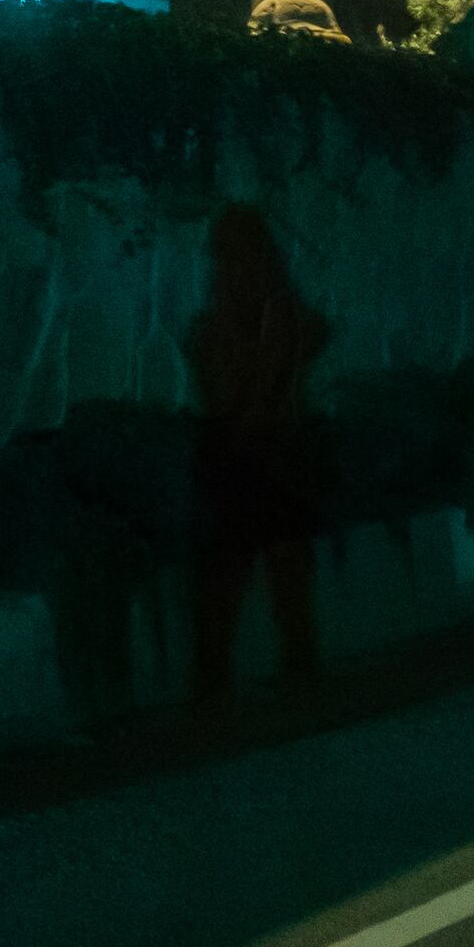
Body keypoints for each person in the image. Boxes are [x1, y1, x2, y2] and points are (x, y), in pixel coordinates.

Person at [183, 201, 331, 703]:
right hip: (256, 457)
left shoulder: (268, 315)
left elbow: (248, 394)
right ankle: (238, 677)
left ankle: (228, 680)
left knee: (253, 572)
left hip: (259, 456)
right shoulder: (244, 317)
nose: (229, 267)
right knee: (248, 574)